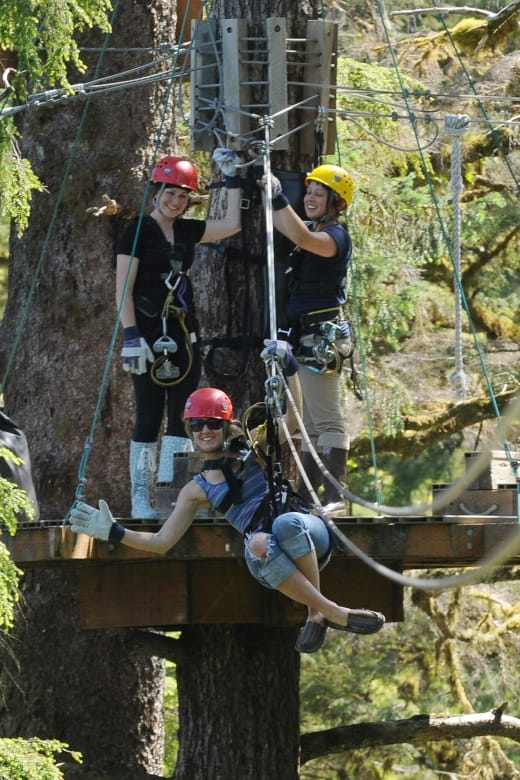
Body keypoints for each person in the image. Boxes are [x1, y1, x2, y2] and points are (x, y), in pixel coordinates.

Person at [70, 340, 385, 654]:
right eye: (196, 426)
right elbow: (161, 543)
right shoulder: (196, 489)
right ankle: (328, 610)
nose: (204, 431)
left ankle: (316, 612)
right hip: (266, 554)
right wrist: (115, 532)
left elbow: (293, 419)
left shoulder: (253, 445)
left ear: (225, 426)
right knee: (258, 542)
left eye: (212, 424)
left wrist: (290, 369)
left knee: (287, 523)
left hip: (306, 533)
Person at [116, 151, 243, 519]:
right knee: (148, 417)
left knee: (180, 419)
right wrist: (131, 334)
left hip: (184, 338)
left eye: (183, 196)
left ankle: (168, 493)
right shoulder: (137, 231)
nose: (175, 201)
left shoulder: (186, 231)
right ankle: (141, 498)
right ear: (157, 191)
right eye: (170, 193)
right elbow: (123, 288)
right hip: (147, 337)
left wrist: (230, 179)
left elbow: (231, 222)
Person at [258, 164, 355, 514]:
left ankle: (334, 497)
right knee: (310, 423)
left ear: (335, 202)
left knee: (327, 420)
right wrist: (268, 193)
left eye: (319, 194)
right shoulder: (315, 228)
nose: (311, 198)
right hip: (305, 334)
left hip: (321, 335)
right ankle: (306, 495)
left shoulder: (335, 238)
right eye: (309, 192)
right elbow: (288, 226)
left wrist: (280, 195)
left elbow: (299, 236)